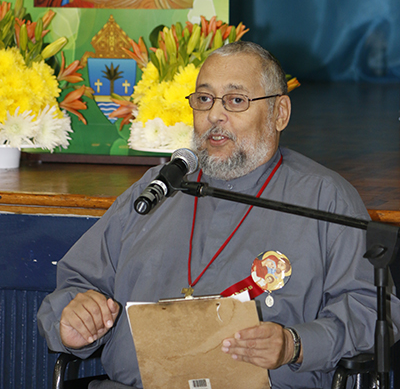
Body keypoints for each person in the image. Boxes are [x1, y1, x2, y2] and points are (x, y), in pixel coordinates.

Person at [37, 41, 400, 388]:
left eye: (236, 100)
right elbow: (74, 290)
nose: (214, 115)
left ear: (280, 113)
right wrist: (73, 321)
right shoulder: (158, 189)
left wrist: (295, 344)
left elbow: (373, 310)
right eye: (205, 99)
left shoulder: (324, 197)